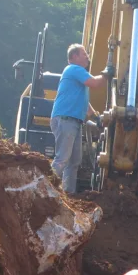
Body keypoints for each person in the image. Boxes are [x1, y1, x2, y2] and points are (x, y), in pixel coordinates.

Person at [51, 44, 108, 194]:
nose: (87, 56)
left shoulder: (77, 75)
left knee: (73, 161)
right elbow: (96, 83)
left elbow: (84, 103)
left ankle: (68, 194)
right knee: (62, 159)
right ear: (74, 57)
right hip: (66, 119)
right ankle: (44, 188)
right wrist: (107, 73)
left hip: (73, 121)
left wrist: (96, 117)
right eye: (84, 54)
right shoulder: (74, 69)